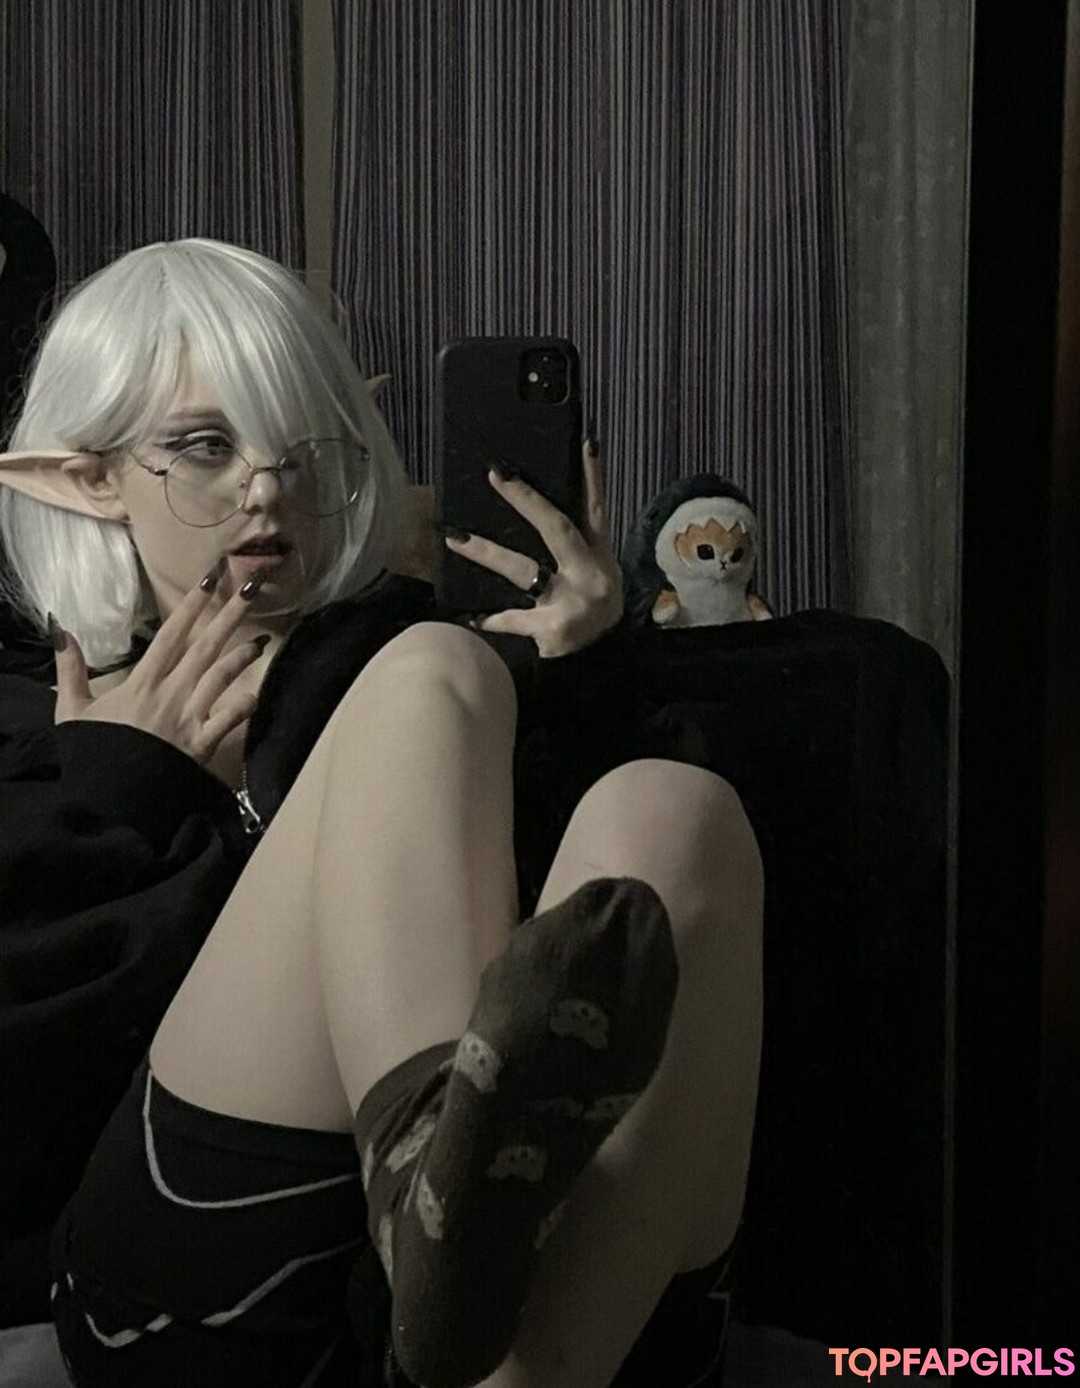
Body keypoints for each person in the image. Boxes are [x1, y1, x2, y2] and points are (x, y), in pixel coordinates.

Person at [0, 239, 763, 1387]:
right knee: (426, 673)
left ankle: (459, 1263)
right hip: (199, 1268)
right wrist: (117, 780)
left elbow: (572, 939)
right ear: (85, 475)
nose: (267, 488)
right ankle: (423, 1175)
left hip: (462, 1319)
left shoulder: (420, 647)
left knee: (675, 803)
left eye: (301, 445)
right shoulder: (34, 706)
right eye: (205, 445)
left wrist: (587, 668)